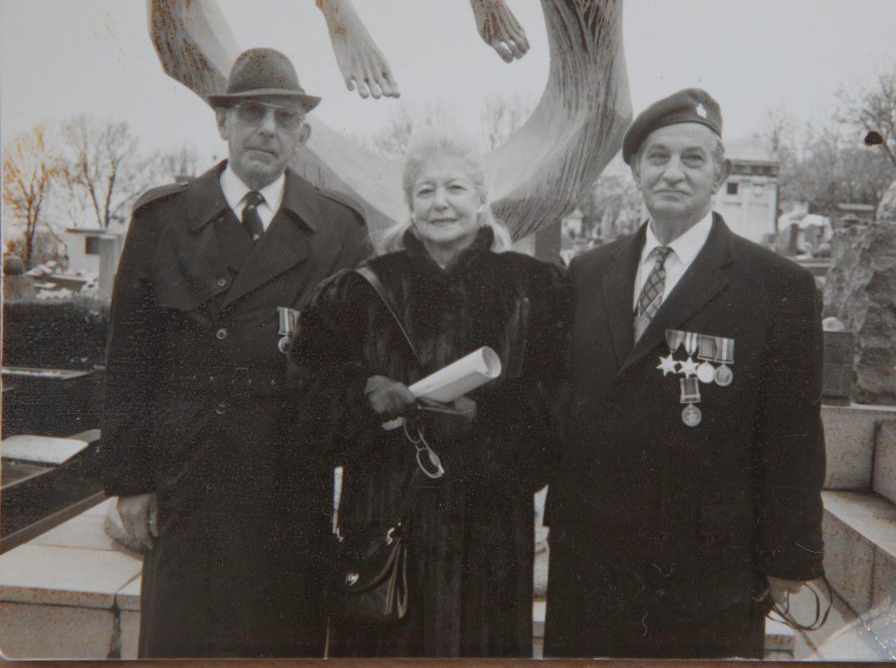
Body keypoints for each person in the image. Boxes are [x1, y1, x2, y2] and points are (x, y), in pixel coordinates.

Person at [99, 47, 373, 658]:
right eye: (252, 113)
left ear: (301, 135)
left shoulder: (338, 231)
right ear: (222, 122)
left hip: (288, 493)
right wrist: (131, 482)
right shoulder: (160, 222)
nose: (267, 130)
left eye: (284, 118)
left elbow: (352, 377)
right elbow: (129, 365)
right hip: (186, 487)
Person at [543, 88, 825, 659]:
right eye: (658, 157)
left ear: (719, 173)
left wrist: (789, 556)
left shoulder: (777, 287)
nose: (674, 172)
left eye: (693, 159)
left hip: (705, 561)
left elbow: (793, 434)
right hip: (591, 552)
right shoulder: (587, 272)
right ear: (636, 171)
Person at [291, 131, 569, 657]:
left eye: (455, 188)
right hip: (387, 527)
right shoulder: (358, 290)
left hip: (490, 535)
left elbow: (559, 404)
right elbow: (307, 394)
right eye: (425, 191)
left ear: (482, 200)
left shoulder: (534, 288)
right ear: (410, 206)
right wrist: (362, 395)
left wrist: (483, 422)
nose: (440, 202)